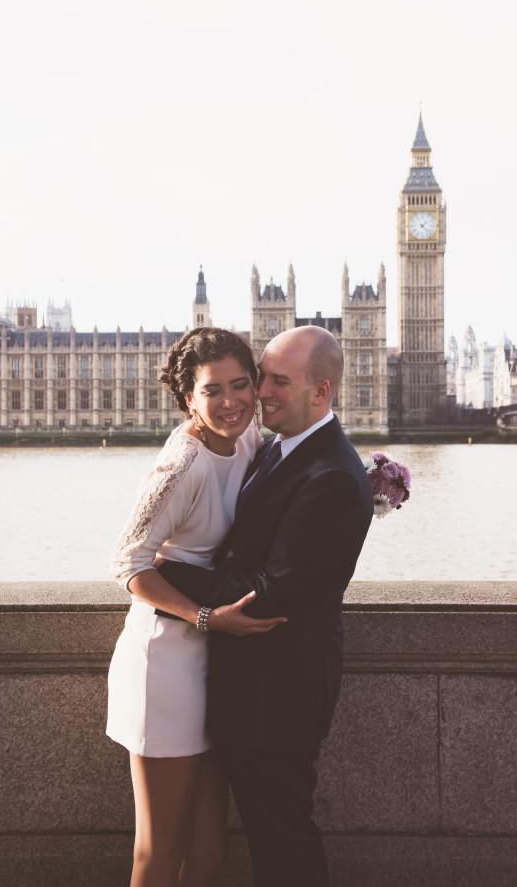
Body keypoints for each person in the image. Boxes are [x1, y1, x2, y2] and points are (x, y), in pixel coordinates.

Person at [172, 324, 374, 887]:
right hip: (254, 689)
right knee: (272, 837)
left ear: (321, 393)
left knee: (283, 845)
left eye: (278, 381)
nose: (260, 392)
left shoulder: (330, 473)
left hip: (277, 694)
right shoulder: (280, 448)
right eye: (262, 377)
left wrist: (168, 571)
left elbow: (272, 592)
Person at [106, 326, 285, 887]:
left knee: (209, 853)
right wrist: (207, 618)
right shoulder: (181, 466)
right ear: (189, 398)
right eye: (213, 391)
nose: (230, 402)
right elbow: (127, 564)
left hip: (215, 660)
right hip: (167, 660)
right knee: (160, 851)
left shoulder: (251, 438)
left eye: (240, 386)